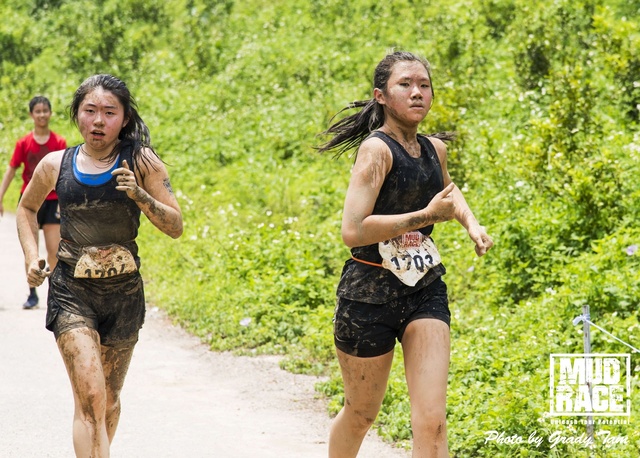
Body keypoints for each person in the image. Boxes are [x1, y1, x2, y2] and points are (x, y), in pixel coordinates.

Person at [317, 51, 493, 457]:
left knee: (432, 420)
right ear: (380, 96)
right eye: (405, 84)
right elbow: (353, 230)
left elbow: (449, 192)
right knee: (361, 414)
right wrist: (425, 216)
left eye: (424, 85)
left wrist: (472, 224)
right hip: (367, 295)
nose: (417, 92)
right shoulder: (376, 151)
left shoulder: (434, 149)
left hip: (423, 290)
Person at [16, 74, 183, 457]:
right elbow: (26, 208)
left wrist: (140, 195)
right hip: (72, 295)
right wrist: (30, 255)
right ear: (77, 115)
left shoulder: (142, 162)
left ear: (124, 119)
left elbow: (175, 226)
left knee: (108, 401)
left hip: (124, 299)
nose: (98, 121)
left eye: (109, 112)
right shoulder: (55, 164)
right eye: (90, 110)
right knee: (91, 398)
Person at [0, 96, 67, 309]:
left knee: (54, 249)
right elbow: (12, 170)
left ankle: (54, 293)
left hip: (53, 201)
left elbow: (65, 174)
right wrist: (1, 196)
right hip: (29, 203)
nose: (42, 115)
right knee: (31, 250)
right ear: (31, 115)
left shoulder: (59, 143)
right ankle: (32, 294)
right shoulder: (24, 143)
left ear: (50, 113)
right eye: (37, 111)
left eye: (45, 111)